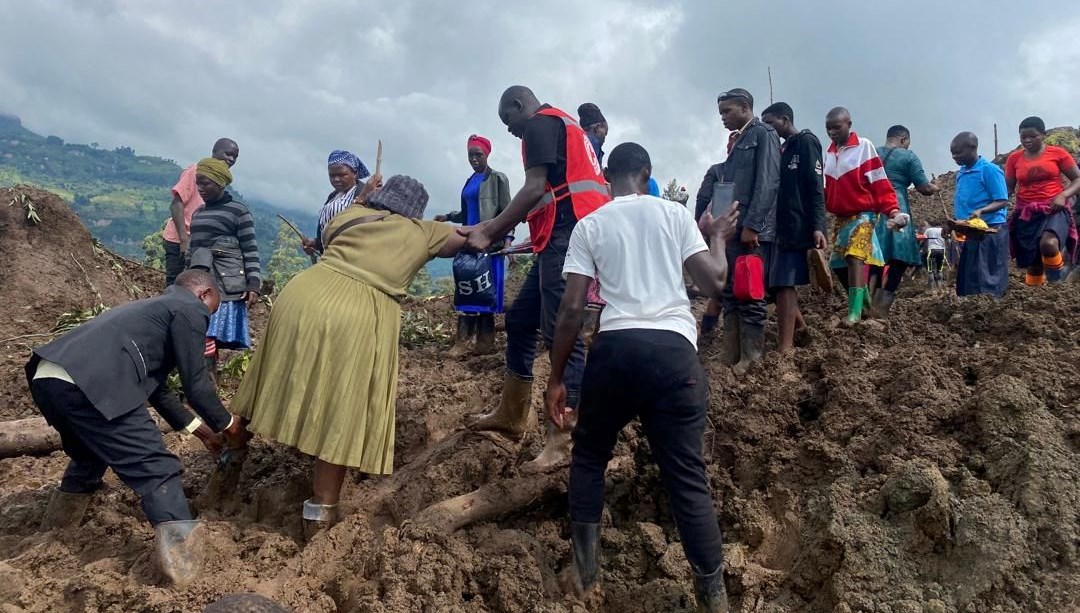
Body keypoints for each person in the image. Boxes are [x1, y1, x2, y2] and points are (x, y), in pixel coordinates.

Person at [546, 142, 738, 611]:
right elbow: (714, 282)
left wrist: (557, 377)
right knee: (687, 477)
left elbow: (572, 310)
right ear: (646, 173)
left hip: (615, 351)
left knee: (589, 457)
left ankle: (586, 574)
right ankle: (713, 598)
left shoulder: (591, 225)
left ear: (610, 178)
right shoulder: (673, 215)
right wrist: (716, 237)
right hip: (674, 354)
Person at [230, 176, 470, 533]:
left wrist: (364, 193)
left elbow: (336, 227)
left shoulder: (349, 214)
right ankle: (321, 514)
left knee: (269, 376)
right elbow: (476, 235)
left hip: (301, 297)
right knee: (343, 408)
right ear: (416, 211)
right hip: (357, 314)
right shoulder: (424, 231)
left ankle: (228, 452)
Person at [25, 269, 246, 585]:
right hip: (96, 383)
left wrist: (205, 434)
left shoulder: (150, 311)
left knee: (90, 454)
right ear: (204, 295)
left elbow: (156, 390)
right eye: (212, 310)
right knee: (156, 468)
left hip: (49, 377)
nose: (207, 319)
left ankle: (56, 529)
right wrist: (228, 425)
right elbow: (196, 385)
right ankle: (185, 569)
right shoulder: (190, 308)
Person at [460, 86, 610, 474]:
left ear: (518, 106)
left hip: (569, 234)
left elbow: (532, 188)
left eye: (508, 121)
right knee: (522, 319)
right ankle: (511, 413)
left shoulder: (540, 125)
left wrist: (490, 231)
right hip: (560, 235)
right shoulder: (563, 125)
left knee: (565, 332)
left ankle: (563, 440)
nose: (510, 132)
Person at [714, 88, 780, 374]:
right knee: (731, 290)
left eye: (727, 112)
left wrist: (752, 225)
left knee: (751, 292)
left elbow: (768, 182)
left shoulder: (763, 134)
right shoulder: (740, 139)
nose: (723, 118)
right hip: (733, 228)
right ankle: (731, 351)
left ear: (744, 107)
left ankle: (751, 357)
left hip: (753, 231)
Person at [822, 108, 907, 324]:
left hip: (864, 214)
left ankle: (854, 312)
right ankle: (866, 303)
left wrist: (893, 211)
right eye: (828, 128)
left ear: (849, 124)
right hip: (841, 218)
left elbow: (880, 182)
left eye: (837, 127)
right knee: (838, 264)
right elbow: (826, 190)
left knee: (854, 257)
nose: (832, 132)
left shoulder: (864, 147)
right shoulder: (829, 153)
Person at [434, 135, 513, 356]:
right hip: (469, 242)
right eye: (471, 155)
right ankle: (462, 342)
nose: (474, 159)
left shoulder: (498, 179)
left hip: (490, 243)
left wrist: (507, 241)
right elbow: (468, 212)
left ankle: (485, 343)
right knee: (467, 289)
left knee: (486, 292)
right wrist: (448, 216)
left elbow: (508, 213)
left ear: (487, 154)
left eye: (478, 154)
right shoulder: (470, 181)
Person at [761, 102, 828, 354]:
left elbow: (816, 186)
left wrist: (818, 226)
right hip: (778, 225)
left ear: (785, 120)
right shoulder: (781, 148)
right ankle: (802, 331)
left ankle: (785, 348)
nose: (768, 128)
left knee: (785, 282)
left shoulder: (806, 143)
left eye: (771, 123)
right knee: (777, 284)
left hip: (796, 224)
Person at [186, 158, 261, 375]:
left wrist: (253, 283)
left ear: (220, 183)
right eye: (198, 183)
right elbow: (192, 251)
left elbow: (250, 248)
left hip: (226, 286)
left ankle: (207, 382)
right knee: (201, 333)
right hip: (200, 283)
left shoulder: (238, 212)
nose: (200, 188)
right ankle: (203, 381)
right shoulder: (198, 214)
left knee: (208, 334)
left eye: (205, 183)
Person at [870, 126, 940, 314]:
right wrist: (936, 187)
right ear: (904, 140)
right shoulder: (909, 157)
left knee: (875, 259)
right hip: (896, 205)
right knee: (900, 258)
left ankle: (867, 303)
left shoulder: (872, 153)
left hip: (873, 208)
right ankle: (881, 307)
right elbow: (924, 188)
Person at [1005, 116, 1080, 285]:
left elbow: (1078, 179)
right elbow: (1008, 189)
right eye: (1023, 137)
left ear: (1043, 134)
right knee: (1034, 262)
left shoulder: (1058, 153)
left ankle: (1056, 286)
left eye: (1032, 136)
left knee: (1048, 244)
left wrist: (1063, 195)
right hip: (1027, 212)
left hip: (1054, 209)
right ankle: (1035, 297)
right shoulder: (1014, 159)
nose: (1027, 140)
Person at [163, 138, 239, 287]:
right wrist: (184, 240)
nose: (231, 159)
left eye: (235, 157)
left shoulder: (219, 179)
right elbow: (176, 205)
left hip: (200, 243)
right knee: (176, 284)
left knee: (195, 286)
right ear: (214, 152)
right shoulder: (195, 172)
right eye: (228, 154)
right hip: (179, 240)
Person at [948, 132, 1011, 297]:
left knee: (988, 275)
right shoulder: (961, 174)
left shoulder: (989, 170)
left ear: (973, 148)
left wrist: (981, 211)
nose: (955, 157)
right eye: (953, 153)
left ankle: (991, 309)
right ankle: (970, 309)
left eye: (958, 153)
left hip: (991, 230)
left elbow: (1002, 200)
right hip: (973, 232)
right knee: (970, 275)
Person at [302, 149, 382, 255]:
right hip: (329, 258)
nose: (336, 179)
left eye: (342, 175)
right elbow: (333, 233)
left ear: (355, 173)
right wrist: (316, 243)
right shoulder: (334, 196)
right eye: (332, 175)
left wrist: (368, 196)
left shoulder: (368, 196)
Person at [694, 162, 726, 333]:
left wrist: (697, 224)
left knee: (720, 287)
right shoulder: (754, 166)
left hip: (718, 231)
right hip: (737, 229)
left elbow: (703, 197)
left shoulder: (718, 169)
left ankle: (707, 332)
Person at [923, 223, 947, 288]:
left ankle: (932, 289)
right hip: (942, 250)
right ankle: (940, 287)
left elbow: (923, 239)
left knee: (930, 270)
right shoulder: (943, 230)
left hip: (932, 250)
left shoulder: (928, 230)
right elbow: (947, 239)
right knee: (939, 270)